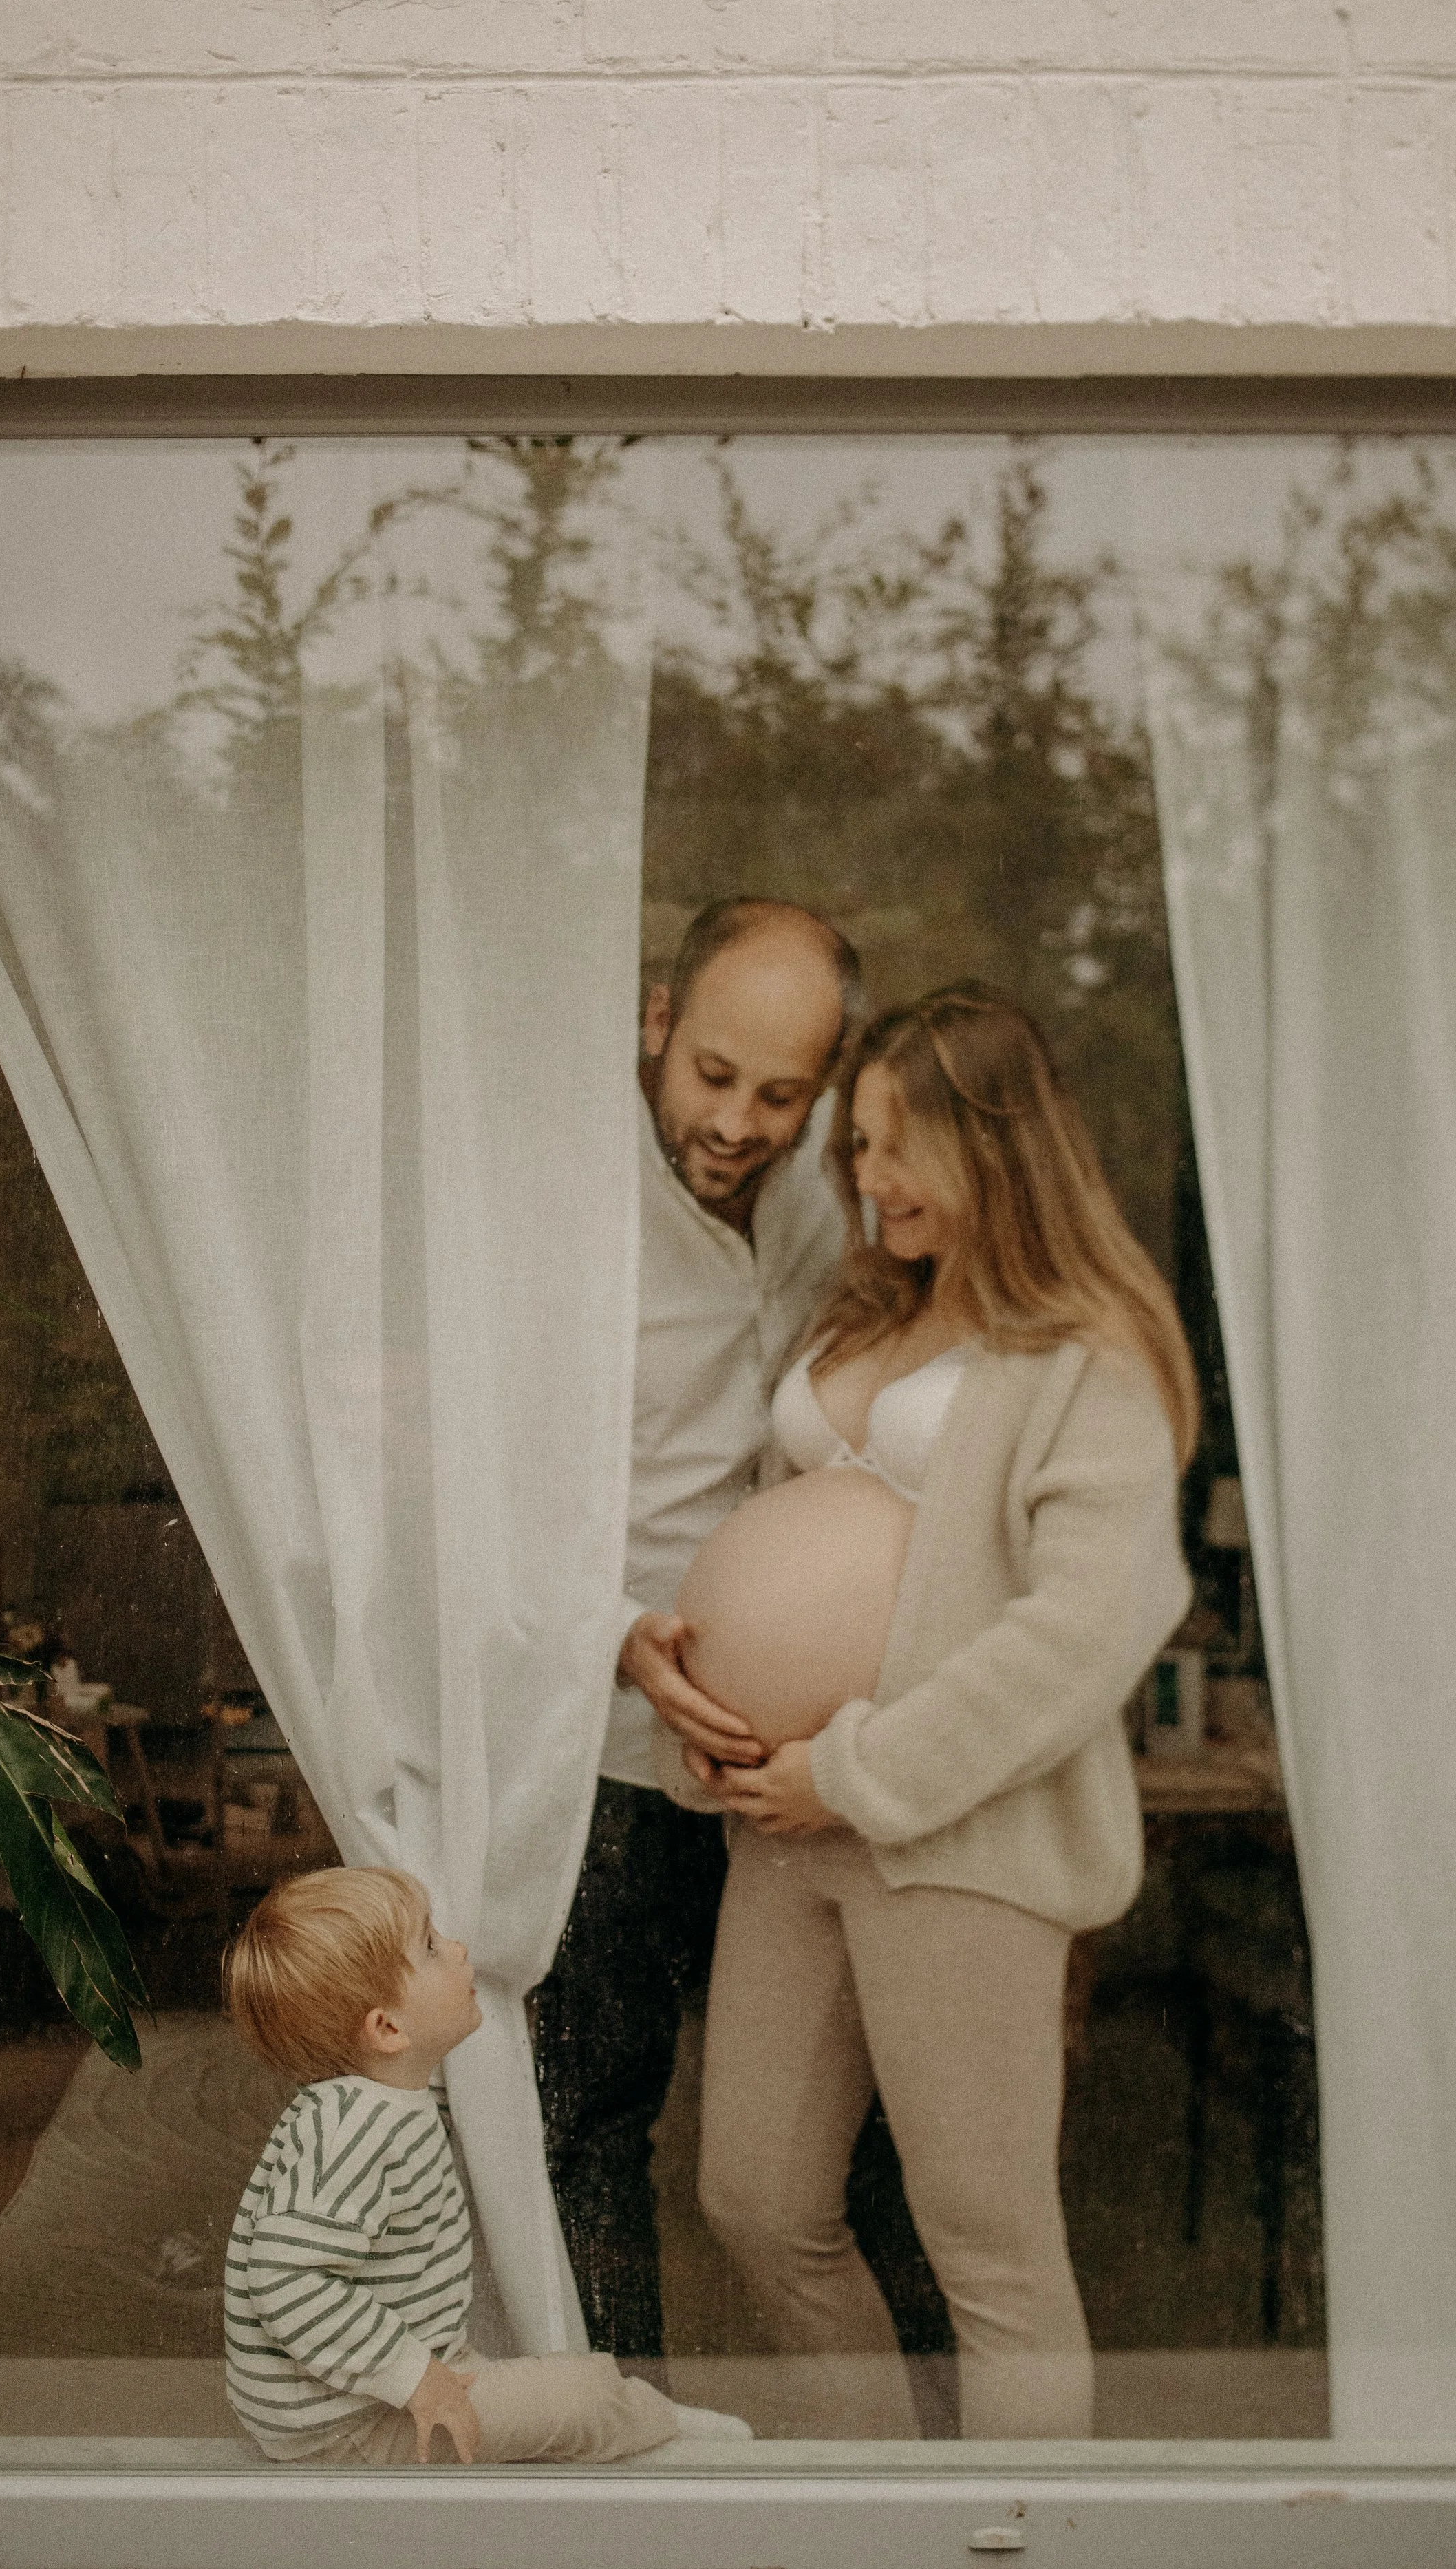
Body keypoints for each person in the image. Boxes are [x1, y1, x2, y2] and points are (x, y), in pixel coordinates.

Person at [657, 985, 1198, 2441]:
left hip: (947, 1830)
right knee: (756, 2201)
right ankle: (881, 2506)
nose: (864, 1181)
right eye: (855, 1151)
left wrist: (856, 1767)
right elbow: (794, 1543)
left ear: (993, 1147)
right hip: (783, 1825)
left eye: (893, 1149)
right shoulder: (873, 1305)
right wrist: (709, 1699)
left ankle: (1032, 2536)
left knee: (988, 2247)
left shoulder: (1089, 1352)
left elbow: (1088, 1629)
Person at [529, 898, 859, 2360]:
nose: (735, 1121)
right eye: (712, 1075)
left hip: (803, 1767)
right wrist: (612, 1635)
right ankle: (620, 2455)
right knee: (593, 2123)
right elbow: (469, 1486)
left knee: (831, 2149)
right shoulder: (556, 1205)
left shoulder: (841, 1189)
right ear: (657, 1020)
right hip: (608, 1750)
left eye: (779, 1094)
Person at [223, 1866, 753, 2464]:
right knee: (578, 2399)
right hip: (355, 2426)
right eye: (429, 1947)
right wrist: (415, 2377)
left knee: (559, 2382)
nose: (457, 1949)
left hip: (381, 2390)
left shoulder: (383, 2096)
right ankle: (667, 2435)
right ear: (388, 2027)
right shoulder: (348, 2131)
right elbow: (286, 2280)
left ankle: (628, 2413)